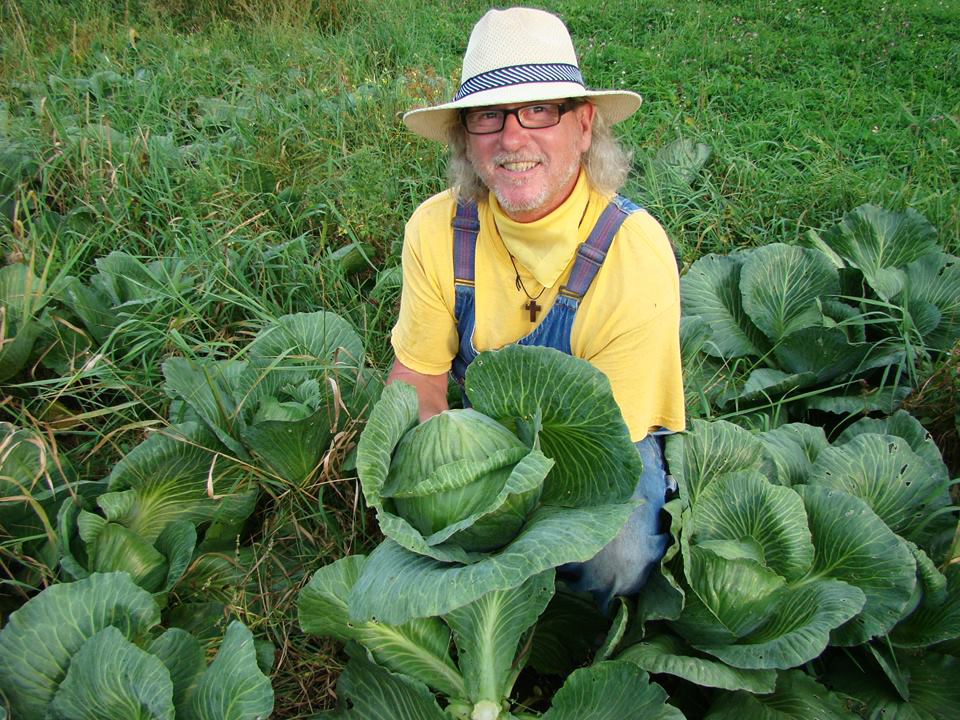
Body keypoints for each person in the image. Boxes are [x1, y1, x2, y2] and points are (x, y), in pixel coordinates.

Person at [387, 6, 685, 611]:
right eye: (488, 116)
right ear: (466, 139)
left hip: (593, 447)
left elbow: (601, 446)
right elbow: (419, 378)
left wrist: (503, 517)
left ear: (583, 126)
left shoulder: (633, 250)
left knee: (618, 558)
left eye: (541, 110)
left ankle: (572, 630)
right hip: (479, 433)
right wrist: (439, 480)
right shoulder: (435, 227)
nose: (512, 137)